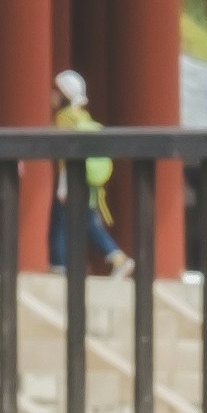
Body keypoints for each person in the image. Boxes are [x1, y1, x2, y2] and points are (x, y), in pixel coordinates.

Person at [46, 67, 117, 273]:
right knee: (84, 218)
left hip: (70, 175)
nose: (52, 95)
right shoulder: (82, 116)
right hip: (87, 175)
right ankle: (114, 255)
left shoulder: (64, 118)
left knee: (61, 221)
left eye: (56, 90)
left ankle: (59, 264)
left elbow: (62, 153)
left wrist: (63, 185)